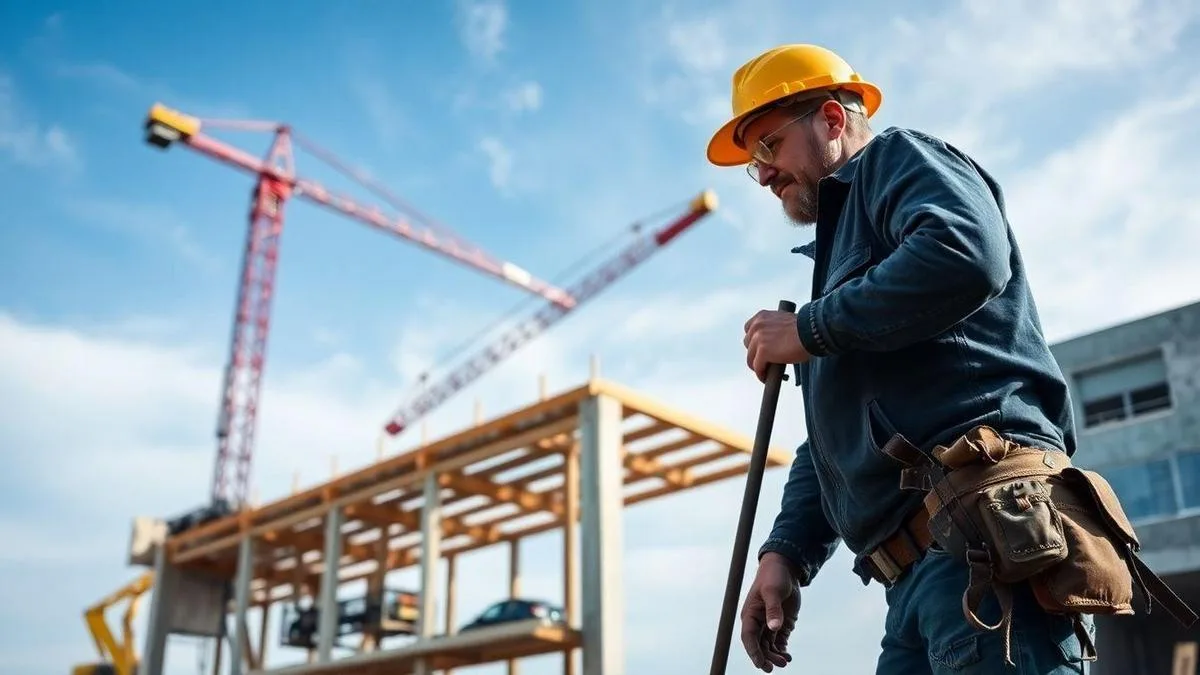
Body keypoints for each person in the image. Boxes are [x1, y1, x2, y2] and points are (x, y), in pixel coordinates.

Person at [708, 44, 1093, 673]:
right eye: (754, 163)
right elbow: (837, 438)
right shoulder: (841, 278)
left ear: (832, 119)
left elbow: (966, 252)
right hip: (918, 582)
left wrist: (810, 327)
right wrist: (785, 554)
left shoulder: (897, 159)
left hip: (987, 541)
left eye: (769, 146)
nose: (765, 173)